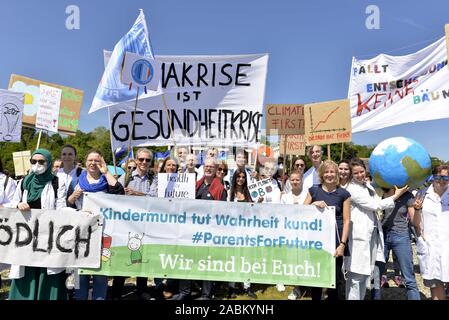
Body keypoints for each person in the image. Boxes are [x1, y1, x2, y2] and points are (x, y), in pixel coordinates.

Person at [344, 158, 408, 300]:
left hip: (371, 234)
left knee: (366, 273)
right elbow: (375, 205)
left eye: (361, 171)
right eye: (356, 173)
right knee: (356, 276)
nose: (360, 175)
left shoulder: (366, 185)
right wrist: (397, 195)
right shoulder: (352, 189)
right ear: (351, 175)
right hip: (359, 236)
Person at [8, 149, 67, 300]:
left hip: (48, 235)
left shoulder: (57, 182)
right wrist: (19, 204)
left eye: (41, 161)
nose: (37, 164)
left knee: (46, 268)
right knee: (26, 267)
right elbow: (13, 202)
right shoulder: (24, 182)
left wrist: (80, 213)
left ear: (48, 163)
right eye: (33, 161)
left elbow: (61, 207)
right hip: (25, 236)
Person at [67, 149, 124, 300]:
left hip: (102, 232)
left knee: (100, 273)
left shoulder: (107, 181)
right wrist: (73, 197)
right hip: (80, 233)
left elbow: (120, 194)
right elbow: (67, 205)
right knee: (80, 272)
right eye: (90, 160)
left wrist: (106, 172)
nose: (93, 163)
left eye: (97, 161)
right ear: (85, 162)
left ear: (102, 163)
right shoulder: (76, 181)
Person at [171, 157, 227, 300]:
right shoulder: (195, 185)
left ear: (216, 170)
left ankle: (206, 295)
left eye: (211, 167)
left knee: (206, 262)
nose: (208, 168)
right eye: (206, 166)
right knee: (186, 259)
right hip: (190, 230)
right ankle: (185, 291)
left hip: (209, 232)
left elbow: (222, 213)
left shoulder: (220, 189)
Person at [111, 149, 156, 300]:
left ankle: (142, 289)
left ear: (151, 162)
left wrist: (136, 194)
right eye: (141, 159)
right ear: (136, 160)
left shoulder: (153, 178)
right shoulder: (126, 177)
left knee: (142, 255)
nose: (144, 162)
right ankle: (117, 289)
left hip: (145, 224)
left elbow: (155, 198)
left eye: (147, 160)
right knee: (123, 255)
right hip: (127, 224)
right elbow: (116, 195)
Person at [303, 160, 351, 300]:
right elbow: (300, 211)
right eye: (326, 172)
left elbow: (347, 220)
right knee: (317, 277)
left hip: (336, 241)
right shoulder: (314, 190)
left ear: (336, 174)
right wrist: (313, 203)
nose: (329, 175)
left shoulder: (344, 194)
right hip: (316, 241)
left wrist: (342, 244)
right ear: (322, 174)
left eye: (332, 172)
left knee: (335, 279)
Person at [376, 187, 421, 300]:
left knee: (409, 277)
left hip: (401, 236)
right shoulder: (379, 192)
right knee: (376, 277)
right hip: (382, 236)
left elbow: (414, 222)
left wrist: (417, 209)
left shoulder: (407, 195)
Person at [413, 165, 449, 300]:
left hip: (447, 245)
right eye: (438, 176)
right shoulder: (422, 194)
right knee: (435, 286)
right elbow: (416, 224)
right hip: (431, 247)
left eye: (446, 177)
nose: (442, 180)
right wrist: (417, 209)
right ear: (433, 177)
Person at [227, 168, 257, 299]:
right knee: (233, 258)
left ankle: (247, 285)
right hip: (233, 230)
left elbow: (254, 210)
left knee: (246, 258)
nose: (240, 179)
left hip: (246, 230)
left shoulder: (249, 193)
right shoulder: (229, 193)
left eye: (243, 177)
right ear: (235, 178)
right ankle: (231, 286)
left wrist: (258, 203)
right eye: (238, 176)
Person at [281, 170, 306, 300]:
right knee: (291, 260)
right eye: (293, 180)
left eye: (297, 180)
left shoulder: (308, 195)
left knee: (301, 260)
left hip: (304, 234)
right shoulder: (285, 197)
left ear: (301, 180)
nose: (295, 182)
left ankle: (300, 287)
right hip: (289, 233)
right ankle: (294, 286)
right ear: (289, 181)